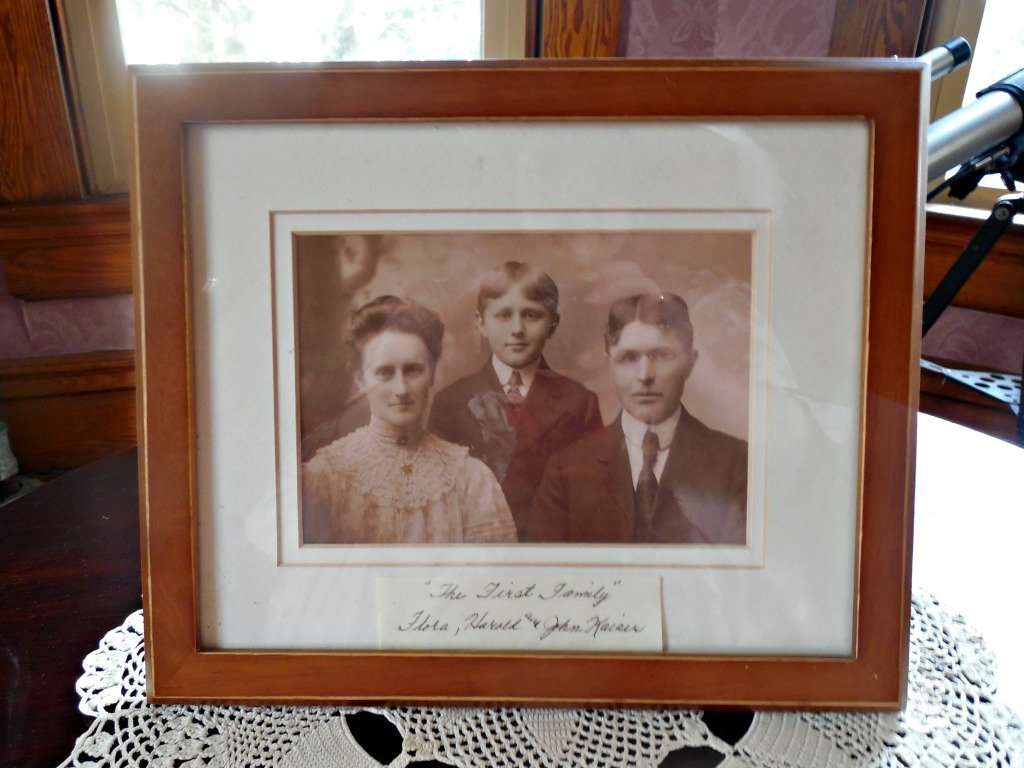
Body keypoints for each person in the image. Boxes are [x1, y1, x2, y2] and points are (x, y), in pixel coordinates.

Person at [526, 292, 747, 544]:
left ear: (690, 363)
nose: (644, 375)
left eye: (662, 356)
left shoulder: (736, 465)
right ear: (610, 362)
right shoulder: (565, 470)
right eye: (628, 358)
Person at [302, 296, 517, 544]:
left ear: (433, 373)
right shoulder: (323, 478)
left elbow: (492, 578)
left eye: (413, 370)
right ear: (361, 380)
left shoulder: (472, 479)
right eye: (385, 372)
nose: (401, 389)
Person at [429, 261, 602, 536]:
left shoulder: (579, 403)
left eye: (532, 316)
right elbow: (440, 500)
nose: (517, 329)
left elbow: (589, 499)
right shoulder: (451, 402)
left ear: (553, 324)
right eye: (503, 316)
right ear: (481, 323)